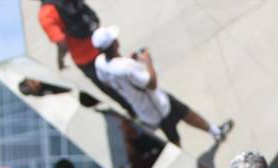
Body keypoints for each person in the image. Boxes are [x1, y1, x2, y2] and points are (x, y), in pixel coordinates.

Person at [91, 26, 232, 147]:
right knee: (175, 140)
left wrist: (128, 65)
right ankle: (208, 139)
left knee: (187, 113)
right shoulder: (127, 67)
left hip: (144, 109)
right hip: (158, 108)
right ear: (115, 44)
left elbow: (108, 81)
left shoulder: (100, 63)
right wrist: (148, 61)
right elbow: (152, 84)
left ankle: (215, 131)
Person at [37, 0, 135, 116]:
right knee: (123, 71)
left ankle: (132, 110)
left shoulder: (45, 13)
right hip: (101, 43)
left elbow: (62, 43)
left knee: (107, 87)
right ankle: (143, 95)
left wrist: (60, 61)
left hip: (85, 58)